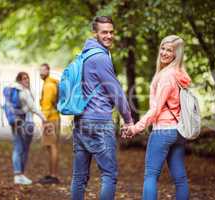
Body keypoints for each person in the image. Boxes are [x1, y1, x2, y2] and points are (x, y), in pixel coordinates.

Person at [71, 16, 133, 200]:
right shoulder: (100, 57)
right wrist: (129, 120)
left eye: (111, 32)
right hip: (99, 121)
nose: (109, 36)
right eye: (104, 32)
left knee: (79, 177)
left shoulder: (85, 55)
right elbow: (116, 92)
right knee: (109, 175)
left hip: (81, 121)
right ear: (95, 33)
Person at [122, 35, 191, 200]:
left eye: (170, 50)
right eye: (163, 48)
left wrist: (135, 128)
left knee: (151, 176)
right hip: (178, 132)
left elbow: (156, 109)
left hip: (163, 131)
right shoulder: (180, 74)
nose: (165, 53)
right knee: (180, 178)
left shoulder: (166, 76)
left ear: (177, 54)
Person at [10, 72, 46, 185]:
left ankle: (20, 174)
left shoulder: (24, 91)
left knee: (23, 149)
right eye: (24, 78)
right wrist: (44, 118)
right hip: (24, 122)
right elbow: (33, 107)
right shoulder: (23, 92)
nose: (26, 80)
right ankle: (18, 175)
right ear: (19, 80)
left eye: (27, 78)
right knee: (19, 148)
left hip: (22, 122)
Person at [39, 63, 61, 184]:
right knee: (51, 146)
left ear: (48, 71)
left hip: (50, 119)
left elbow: (46, 105)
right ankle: (52, 174)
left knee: (52, 146)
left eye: (43, 71)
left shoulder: (49, 85)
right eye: (40, 71)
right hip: (52, 118)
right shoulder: (51, 83)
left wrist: (44, 120)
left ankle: (53, 175)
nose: (41, 73)